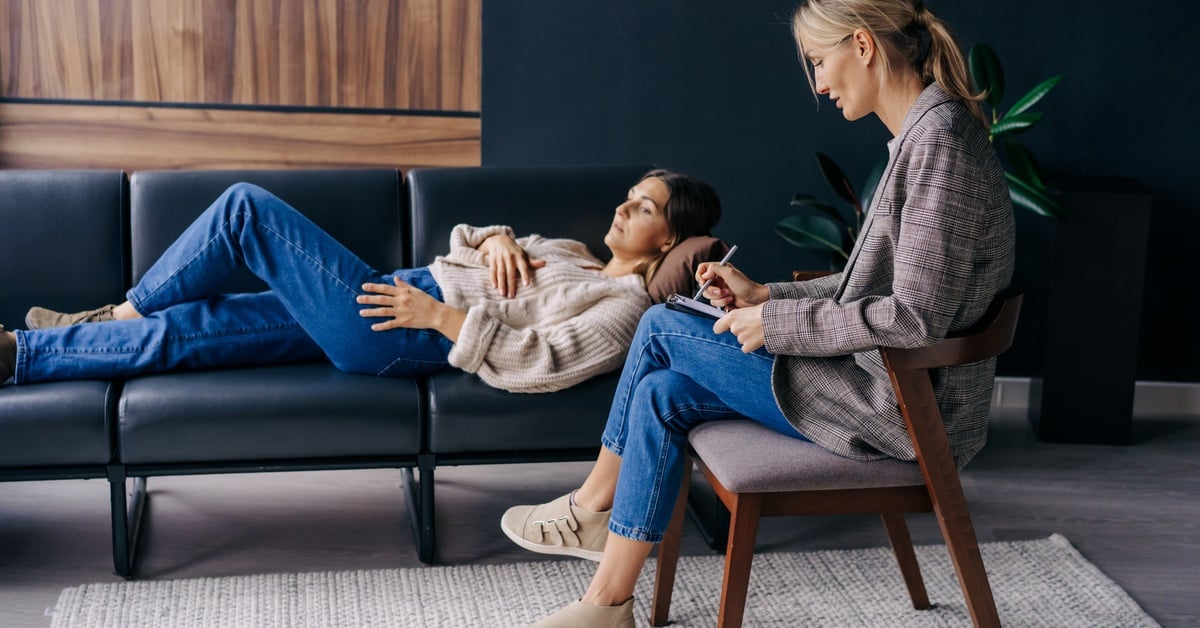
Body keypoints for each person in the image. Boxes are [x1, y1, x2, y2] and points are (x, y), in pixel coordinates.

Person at [500, 1, 1015, 625]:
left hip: (898, 404)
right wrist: (765, 295)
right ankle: (607, 603)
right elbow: (869, 291)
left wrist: (774, 326)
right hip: (880, 383)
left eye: (820, 63)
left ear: (864, 46)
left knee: (661, 325)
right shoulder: (925, 137)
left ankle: (591, 508)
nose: (820, 84)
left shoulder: (942, 148)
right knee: (662, 390)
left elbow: (912, 320)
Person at [0, 169, 722, 392]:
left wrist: (440, 319)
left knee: (247, 210)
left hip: (403, 327)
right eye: (631, 193)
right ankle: (28, 355)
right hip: (395, 292)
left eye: (646, 206)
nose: (625, 206)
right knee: (206, 325)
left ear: (671, 237)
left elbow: (548, 362)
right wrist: (497, 235)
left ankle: (117, 314)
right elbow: (464, 240)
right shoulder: (570, 250)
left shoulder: (623, 304)